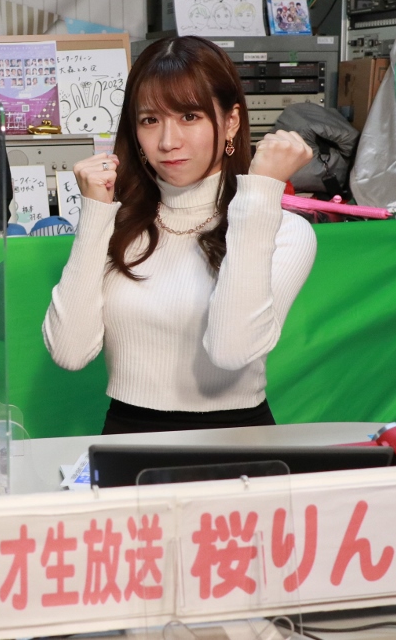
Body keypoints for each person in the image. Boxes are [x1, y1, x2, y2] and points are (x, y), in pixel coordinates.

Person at [42, 36, 316, 435]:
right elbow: (69, 352)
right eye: (150, 120)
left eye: (189, 116)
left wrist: (259, 193)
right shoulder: (118, 224)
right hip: (126, 440)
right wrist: (95, 214)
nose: (168, 142)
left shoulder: (284, 231)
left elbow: (231, 350)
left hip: (238, 447)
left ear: (231, 121)